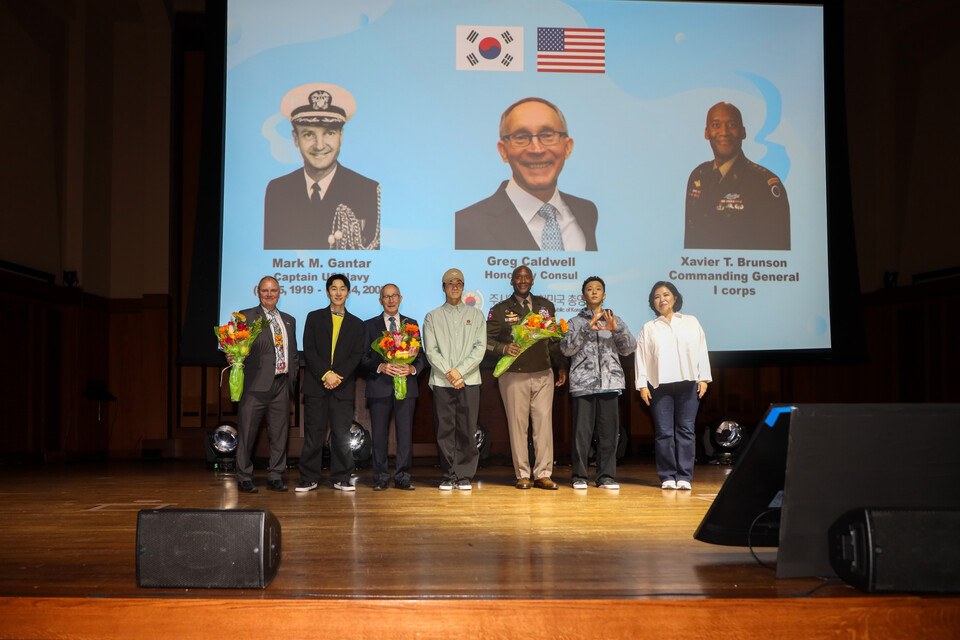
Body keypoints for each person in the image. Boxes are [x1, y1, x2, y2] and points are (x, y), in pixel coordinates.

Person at [455, 97, 598, 251]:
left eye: (548, 135)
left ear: (567, 147)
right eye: (521, 138)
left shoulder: (587, 212)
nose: (536, 150)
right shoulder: (465, 225)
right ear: (503, 151)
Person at [264, 83, 380, 250]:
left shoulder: (369, 191)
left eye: (329, 133)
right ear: (295, 138)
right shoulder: (278, 190)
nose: (319, 145)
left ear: (341, 136)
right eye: (309, 134)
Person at [486, 266, 567, 490]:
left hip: (543, 373)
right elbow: (485, 340)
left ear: (532, 280)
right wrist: (503, 348)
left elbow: (553, 341)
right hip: (514, 375)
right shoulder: (500, 310)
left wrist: (561, 365)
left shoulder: (545, 306)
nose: (522, 281)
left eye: (526, 277)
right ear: (511, 281)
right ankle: (522, 474)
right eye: (518, 277)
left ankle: (543, 474)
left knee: (543, 426)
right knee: (518, 426)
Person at [634, 281, 712, 491]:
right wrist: (642, 384)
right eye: (657, 297)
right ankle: (668, 476)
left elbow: (701, 349)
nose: (662, 299)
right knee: (664, 432)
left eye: (666, 295)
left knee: (686, 430)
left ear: (675, 298)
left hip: (688, 384)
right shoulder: (649, 328)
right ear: (653, 302)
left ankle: (684, 476)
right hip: (659, 386)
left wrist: (703, 377)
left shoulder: (691, 322)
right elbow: (641, 357)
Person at [559, 276, 635, 490]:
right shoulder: (574, 322)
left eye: (598, 289)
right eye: (589, 289)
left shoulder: (616, 320)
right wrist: (587, 328)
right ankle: (580, 476)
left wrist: (615, 330)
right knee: (581, 433)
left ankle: (606, 476)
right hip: (583, 384)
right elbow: (566, 349)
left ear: (604, 294)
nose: (594, 292)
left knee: (609, 433)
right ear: (583, 296)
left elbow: (629, 348)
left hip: (611, 382)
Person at [684, 102, 790, 250]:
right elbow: (691, 241)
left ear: (743, 132)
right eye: (716, 125)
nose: (724, 132)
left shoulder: (763, 184)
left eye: (732, 125)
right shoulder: (698, 176)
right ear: (707, 133)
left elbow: (776, 257)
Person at [229, 276, 299, 494]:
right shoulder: (246, 316)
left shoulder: (289, 320)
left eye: (274, 290)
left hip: (281, 384)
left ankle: (276, 475)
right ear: (257, 291)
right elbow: (233, 346)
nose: (269, 294)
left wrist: (292, 381)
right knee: (248, 434)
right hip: (255, 386)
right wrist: (232, 357)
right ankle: (244, 476)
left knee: (279, 434)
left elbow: (293, 354)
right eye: (265, 290)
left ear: (280, 293)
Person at [297, 274, 366, 492]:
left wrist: (337, 376)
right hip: (317, 385)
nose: (338, 293)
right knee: (313, 434)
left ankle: (341, 477)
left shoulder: (357, 323)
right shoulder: (314, 317)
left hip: (342, 387)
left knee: (341, 435)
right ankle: (309, 478)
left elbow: (356, 355)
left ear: (348, 292)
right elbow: (309, 349)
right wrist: (326, 374)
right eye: (333, 289)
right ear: (327, 292)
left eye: (342, 289)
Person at [423, 268, 487, 491]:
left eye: (459, 282)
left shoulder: (476, 315)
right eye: (450, 283)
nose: (454, 286)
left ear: (463, 287)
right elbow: (431, 351)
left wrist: (459, 372)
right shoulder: (432, 317)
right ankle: (449, 475)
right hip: (442, 382)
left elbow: (480, 349)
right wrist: (450, 374)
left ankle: (464, 476)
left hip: (469, 380)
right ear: (443, 288)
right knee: (445, 430)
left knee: (467, 429)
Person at [360, 284, 425, 491]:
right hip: (379, 387)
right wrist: (380, 366)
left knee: (405, 434)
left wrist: (412, 370)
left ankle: (403, 476)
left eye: (394, 296)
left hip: (406, 387)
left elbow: (421, 357)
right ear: (380, 300)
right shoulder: (369, 325)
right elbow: (362, 358)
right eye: (386, 297)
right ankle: (380, 476)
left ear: (400, 298)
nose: (390, 300)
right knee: (379, 434)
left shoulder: (412, 326)